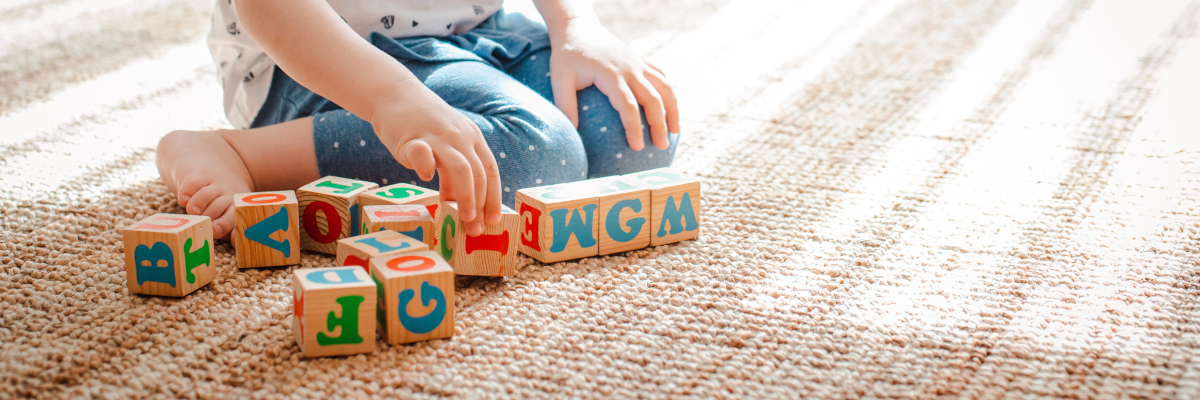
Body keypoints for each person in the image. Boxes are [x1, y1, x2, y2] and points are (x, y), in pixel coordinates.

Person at [156, 0, 680, 240]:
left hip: (480, 30)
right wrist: (391, 100)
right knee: (539, 156)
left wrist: (574, 26)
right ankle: (246, 153)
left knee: (631, 133)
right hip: (332, 62)